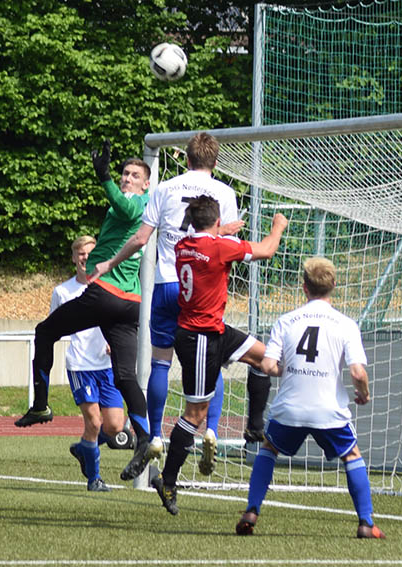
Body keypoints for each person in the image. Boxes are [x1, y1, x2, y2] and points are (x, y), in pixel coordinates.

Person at [91, 132, 272, 476]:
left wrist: (111, 262)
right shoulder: (226, 193)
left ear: (186, 159)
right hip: (203, 289)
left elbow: (141, 238)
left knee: (160, 362)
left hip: (166, 283)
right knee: (212, 359)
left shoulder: (164, 189)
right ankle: (211, 429)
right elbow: (226, 246)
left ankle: (156, 435)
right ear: (215, 163)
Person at [14, 141, 154, 481]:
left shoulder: (136, 204)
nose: (127, 179)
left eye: (135, 175)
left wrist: (104, 177)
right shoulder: (151, 205)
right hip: (129, 304)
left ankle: (41, 405)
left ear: (146, 184)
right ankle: (145, 438)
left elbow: (124, 206)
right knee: (126, 376)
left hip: (106, 294)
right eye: (124, 173)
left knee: (45, 332)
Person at [150, 195, 287, 515]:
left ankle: (254, 425)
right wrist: (278, 226)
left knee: (265, 359)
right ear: (215, 222)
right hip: (199, 337)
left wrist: (220, 229)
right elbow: (267, 250)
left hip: (216, 330)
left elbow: (203, 237)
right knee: (194, 416)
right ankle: (167, 480)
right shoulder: (219, 247)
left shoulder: (183, 245)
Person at [235, 257, 385, 539]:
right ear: (334, 286)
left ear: (304, 287)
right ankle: (366, 523)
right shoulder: (345, 324)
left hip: (290, 408)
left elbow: (267, 366)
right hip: (328, 410)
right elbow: (357, 372)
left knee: (269, 449)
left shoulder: (286, 320)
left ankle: (251, 511)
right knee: (351, 455)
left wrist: (288, 369)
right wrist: (363, 392)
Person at [57, 235, 125, 492]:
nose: (85, 258)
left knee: (116, 426)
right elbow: (55, 326)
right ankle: (94, 479)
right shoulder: (63, 291)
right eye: (81, 254)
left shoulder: (109, 286)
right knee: (94, 423)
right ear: (74, 257)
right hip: (80, 366)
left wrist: (114, 341)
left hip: (106, 365)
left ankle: (84, 448)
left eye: (90, 253)